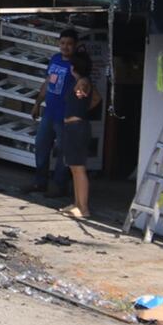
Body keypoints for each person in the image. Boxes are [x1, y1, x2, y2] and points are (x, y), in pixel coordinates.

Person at [28, 28, 77, 197]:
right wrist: (37, 103)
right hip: (49, 112)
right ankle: (40, 182)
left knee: (63, 151)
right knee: (41, 145)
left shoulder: (77, 64)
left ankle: (60, 185)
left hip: (66, 115)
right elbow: (48, 82)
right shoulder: (55, 59)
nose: (65, 47)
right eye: (62, 43)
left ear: (75, 45)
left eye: (69, 44)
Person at [60, 50, 102, 219]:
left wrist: (81, 94)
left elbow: (85, 91)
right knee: (74, 167)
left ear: (74, 66)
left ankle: (83, 208)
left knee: (79, 168)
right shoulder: (81, 81)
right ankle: (77, 204)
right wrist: (84, 106)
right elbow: (96, 98)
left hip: (77, 127)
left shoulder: (83, 81)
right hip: (73, 127)